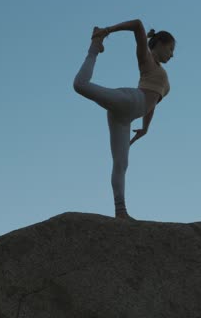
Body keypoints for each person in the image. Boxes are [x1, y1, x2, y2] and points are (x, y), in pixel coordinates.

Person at [73, 19, 176, 221]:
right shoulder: (146, 59)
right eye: (170, 48)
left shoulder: (160, 73)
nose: (172, 54)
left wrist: (145, 128)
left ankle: (120, 211)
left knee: (121, 164)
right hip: (129, 101)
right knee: (80, 85)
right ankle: (95, 46)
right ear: (160, 44)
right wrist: (107, 31)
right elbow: (138, 24)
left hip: (124, 117)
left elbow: (153, 101)